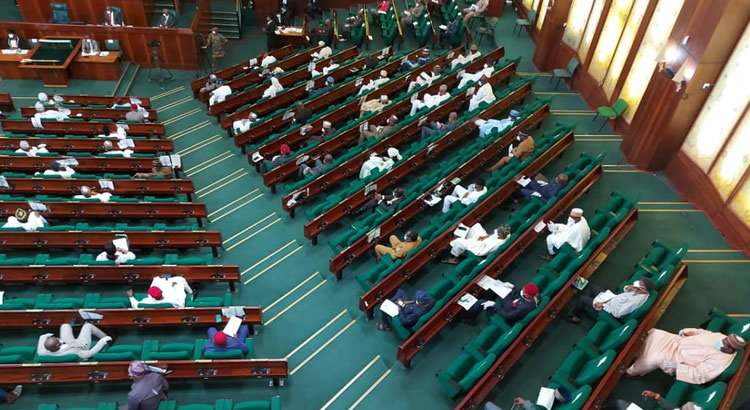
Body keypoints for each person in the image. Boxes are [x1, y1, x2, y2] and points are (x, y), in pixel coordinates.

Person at [626, 329, 746, 385]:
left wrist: (676, 367)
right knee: (656, 333)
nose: (722, 341)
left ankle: (631, 372)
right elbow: (703, 333)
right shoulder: (721, 337)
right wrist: (688, 331)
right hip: (678, 341)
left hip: (675, 359)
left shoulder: (720, 361)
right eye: (725, 339)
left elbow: (699, 374)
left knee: (654, 358)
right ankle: (635, 352)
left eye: (725, 343)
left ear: (730, 349)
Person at [566, 278, 654, 323]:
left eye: (640, 283)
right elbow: (625, 292)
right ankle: (591, 306)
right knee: (594, 287)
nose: (638, 282)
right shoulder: (639, 290)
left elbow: (618, 314)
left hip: (609, 310)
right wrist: (628, 287)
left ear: (643, 288)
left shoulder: (635, 302)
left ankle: (576, 317)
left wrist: (603, 305)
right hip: (611, 299)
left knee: (583, 299)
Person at [464, 283, 540, 325]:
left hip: (504, 312)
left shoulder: (523, 308)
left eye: (524, 291)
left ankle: (468, 317)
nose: (522, 290)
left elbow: (508, 316)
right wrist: (513, 287)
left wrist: (495, 305)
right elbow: (521, 291)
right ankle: (485, 296)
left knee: (481, 302)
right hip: (511, 304)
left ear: (527, 296)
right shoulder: (536, 296)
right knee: (499, 287)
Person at [37, 322, 112, 360]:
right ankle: (107, 337)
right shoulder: (74, 353)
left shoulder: (43, 352)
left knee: (65, 325)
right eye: (58, 340)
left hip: (68, 344)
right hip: (81, 345)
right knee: (88, 326)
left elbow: (42, 338)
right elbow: (90, 353)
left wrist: (45, 336)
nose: (59, 339)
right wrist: (103, 341)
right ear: (58, 345)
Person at [444, 223, 511, 264]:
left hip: (480, 248)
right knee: (477, 226)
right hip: (485, 241)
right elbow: (494, 234)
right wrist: (484, 237)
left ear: (501, 234)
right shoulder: (507, 234)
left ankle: (454, 257)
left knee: (459, 241)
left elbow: (485, 250)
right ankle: (462, 236)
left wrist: (475, 241)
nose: (497, 231)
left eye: (499, 232)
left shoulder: (498, 244)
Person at [127, 275, 194, 309]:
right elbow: (182, 304)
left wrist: (131, 297)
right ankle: (192, 292)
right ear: (161, 291)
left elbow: (135, 305)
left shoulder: (146, 301)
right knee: (180, 280)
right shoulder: (172, 300)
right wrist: (175, 287)